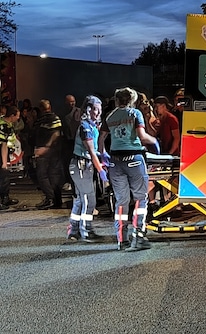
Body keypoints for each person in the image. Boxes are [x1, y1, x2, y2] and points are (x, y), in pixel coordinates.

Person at [104, 87, 159, 251]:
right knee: (140, 199)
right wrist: (154, 141)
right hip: (134, 159)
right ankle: (139, 237)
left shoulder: (110, 116)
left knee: (121, 201)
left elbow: (101, 140)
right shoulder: (135, 114)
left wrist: (104, 156)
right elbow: (142, 136)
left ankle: (122, 239)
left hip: (115, 161)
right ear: (132, 100)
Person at [67, 95, 105, 242]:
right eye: (95, 109)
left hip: (83, 165)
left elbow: (97, 148)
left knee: (79, 200)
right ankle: (87, 231)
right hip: (81, 165)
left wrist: (104, 156)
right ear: (88, 109)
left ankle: (74, 230)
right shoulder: (85, 127)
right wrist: (101, 170)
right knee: (89, 199)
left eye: (100, 110)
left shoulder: (93, 125)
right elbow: (90, 151)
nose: (98, 113)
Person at [32, 99, 66, 210]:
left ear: (41, 109)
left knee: (42, 176)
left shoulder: (39, 121)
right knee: (54, 176)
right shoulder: (56, 119)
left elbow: (54, 134)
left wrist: (45, 147)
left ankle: (50, 199)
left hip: (44, 151)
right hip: (56, 152)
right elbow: (59, 133)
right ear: (49, 107)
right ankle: (57, 200)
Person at [0, 106, 20, 210]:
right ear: (12, 116)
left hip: (2, 152)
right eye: (17, 116)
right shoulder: (3, 126)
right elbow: (3, 145)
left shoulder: (3, 120)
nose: (18, 118)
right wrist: (4, 162)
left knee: (5, 177)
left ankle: (5, 198)